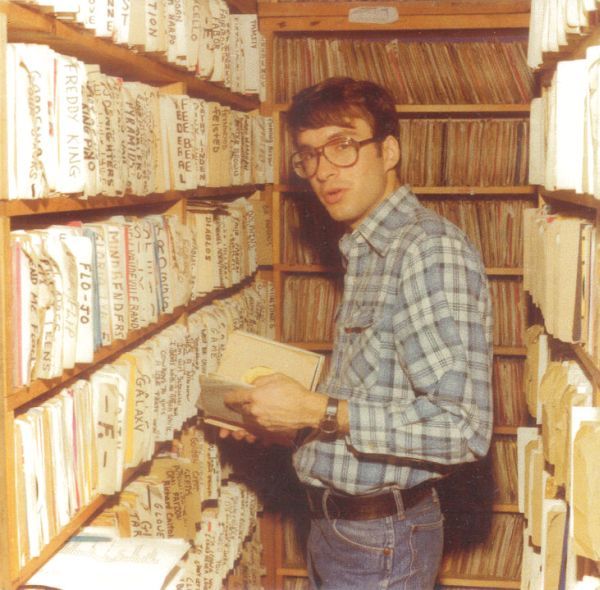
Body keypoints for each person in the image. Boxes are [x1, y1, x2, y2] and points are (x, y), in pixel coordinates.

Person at [223, 77, 493, 589]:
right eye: (309, 155)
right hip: (347, 531)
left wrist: (312, 410)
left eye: (342, 145)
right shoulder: (371, 249)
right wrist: (283, 420)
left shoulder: (425, 251)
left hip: (382, 537)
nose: (323, 170)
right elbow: (378, 397)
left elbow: (462, 427)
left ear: (388, 150)